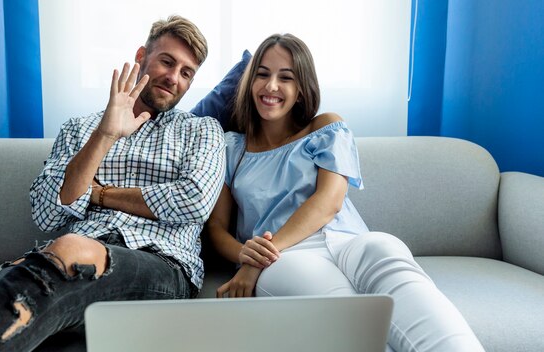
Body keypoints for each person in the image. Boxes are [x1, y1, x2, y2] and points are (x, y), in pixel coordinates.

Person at [0, 15, 225, 352]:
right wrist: (104, 135)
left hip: (162, 265)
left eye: (186, 73)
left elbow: (193, 202)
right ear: (142, 56)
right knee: (28, 313)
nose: (174, 77)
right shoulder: (80, 129)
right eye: (167, 61)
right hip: (65, 263)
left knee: (68, 252)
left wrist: (100, 194)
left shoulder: (202, 130)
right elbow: (47, 214)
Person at [205, 33, 484, 352]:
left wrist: (257, 262)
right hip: (286, 258)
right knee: (355, 327)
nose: (271, 86)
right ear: (249, 82)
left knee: (387, 253)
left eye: (286, 77)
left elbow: (328, 202)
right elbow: (216, 228)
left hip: (350, 240)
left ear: (300, 90)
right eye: (262, 74)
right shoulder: (229, 148)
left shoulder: (326, 127)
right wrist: (246, 256)